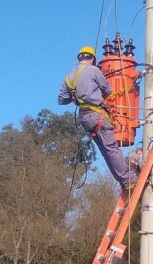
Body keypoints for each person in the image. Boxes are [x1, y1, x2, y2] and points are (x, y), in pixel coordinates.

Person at [58, 45, 137, 190]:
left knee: (105, 151)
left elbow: (61, 100)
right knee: (112, 149)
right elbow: (108, 90)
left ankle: (124, 181)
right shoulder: (94, 70)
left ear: (79, 59)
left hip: (85, 119)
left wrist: (76, 97)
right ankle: (129, 179)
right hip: (97, 115)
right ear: (92, 59)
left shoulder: (69, 78)